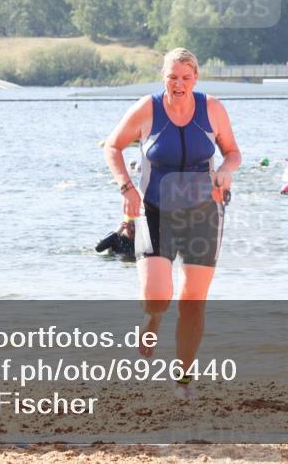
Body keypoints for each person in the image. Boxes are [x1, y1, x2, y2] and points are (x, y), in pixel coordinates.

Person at [104, 48, 241, 400]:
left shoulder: (211, 109)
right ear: (163, 77)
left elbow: (233, 152)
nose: (179, 84)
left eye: (186, 77)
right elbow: (113, 147)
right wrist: (126, 187)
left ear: (195, 78)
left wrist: (226, 170)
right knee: (157, 297)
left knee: (193, 300)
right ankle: (151, 319)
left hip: (204, 214)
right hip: (155, 210)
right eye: (172, 77)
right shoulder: (146, 109)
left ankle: (182, 381)